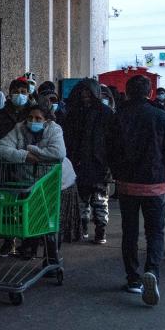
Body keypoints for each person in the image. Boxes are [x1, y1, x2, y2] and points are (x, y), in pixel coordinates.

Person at [107, 74, 165, 306]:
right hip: (155, 185)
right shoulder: (162, 116)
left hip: (127, 185)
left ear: (127, 92)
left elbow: (111, 149)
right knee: (155, 233)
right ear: (150, 93)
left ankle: (133, 279)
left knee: (130, 232)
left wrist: (118, 175)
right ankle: (152, 273)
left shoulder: (119, 117)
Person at [0, 97, 78, 258]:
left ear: (46, 121)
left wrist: (33, 150)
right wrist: (25, 156)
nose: (33, 121)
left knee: (51, 222)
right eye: (30, 118)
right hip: (31, 181)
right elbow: (0, 149)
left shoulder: (54, 129)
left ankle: (51, 259)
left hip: (58, 183)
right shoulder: (19, 129)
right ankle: (28, 249)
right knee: (31, 215)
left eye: (38, 118)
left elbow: (58, 154)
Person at [63, 79, 114, 244]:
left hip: (94, 164)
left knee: (96, 200)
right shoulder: (103, 112)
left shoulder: (77, 113)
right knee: (87, 200)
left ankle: (98, 230)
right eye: (83, 95)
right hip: (88, 163)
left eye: (88, 95)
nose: (85, 98)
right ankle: (89, 228)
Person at [0, 77, 33, 150]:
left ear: (28, 95)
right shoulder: (0, 114)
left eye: (23, 92)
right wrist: (1, 146)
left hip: (29, 156)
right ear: (10, 94)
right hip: (5, 157)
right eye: (16, 92)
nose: (19, 94)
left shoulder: (33, 114)